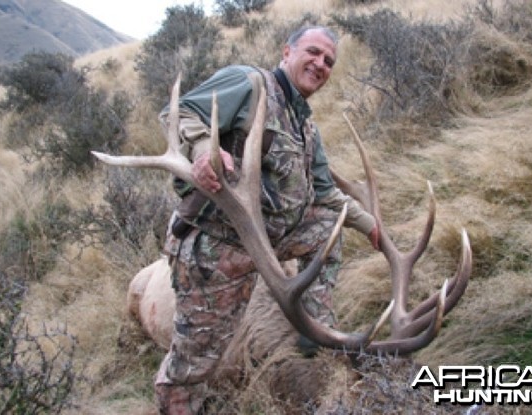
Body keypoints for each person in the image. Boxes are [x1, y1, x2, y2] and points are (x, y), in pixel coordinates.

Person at [154, 25, 379, 414]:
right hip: (218, 242)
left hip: (271, 239)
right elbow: (178, 115)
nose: (320, 64)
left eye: (329, 61)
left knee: (329, 222)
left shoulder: (305, 125)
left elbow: (327, 194)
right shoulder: (248, 83)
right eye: (313, 52)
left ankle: (313, 334)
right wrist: (204, 152)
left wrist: (370, 226)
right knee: (198, 358)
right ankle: (177, 402)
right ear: (286, 50)